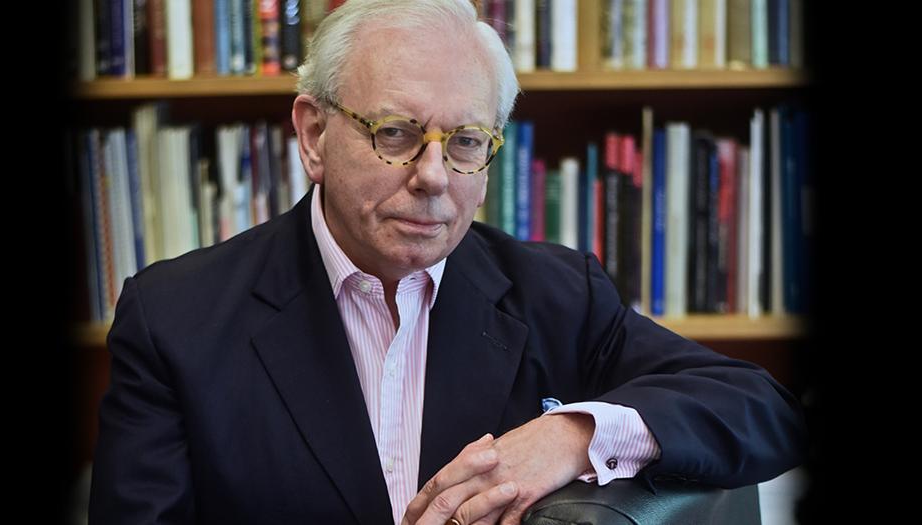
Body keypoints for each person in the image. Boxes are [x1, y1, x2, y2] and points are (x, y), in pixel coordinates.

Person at [89, 1, 805, 523]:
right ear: (312, 134)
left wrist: (573, 434)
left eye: (465, 141)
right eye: (395, 132)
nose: (433, 175)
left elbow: (761, 407)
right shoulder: (174, 318)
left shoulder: (556, 293)